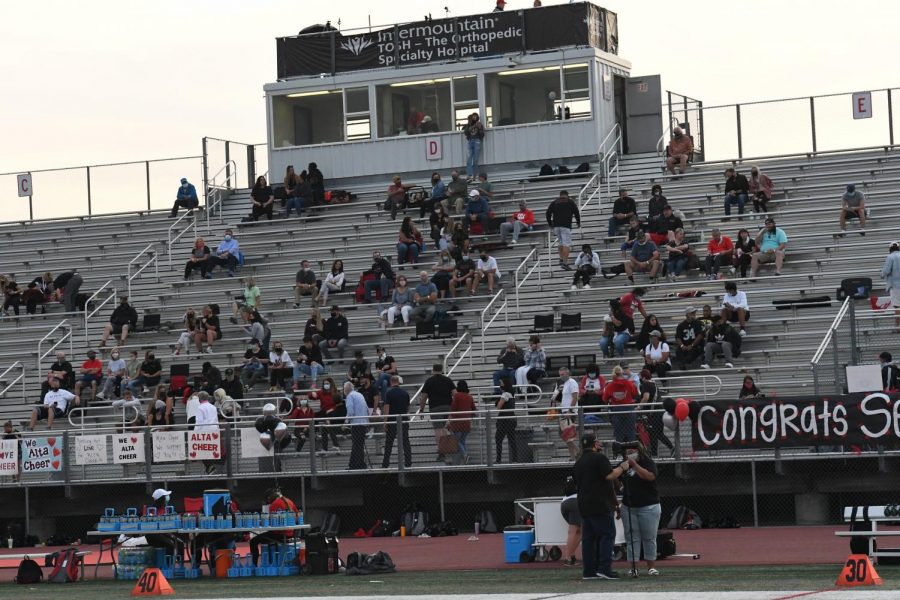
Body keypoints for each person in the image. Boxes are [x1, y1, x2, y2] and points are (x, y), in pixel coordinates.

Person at [573, 433, 626, 580]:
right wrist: (622, 467)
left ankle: (589, 571)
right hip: (600, 503)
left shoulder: (578, 462)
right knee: (607, 535)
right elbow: (609, 476)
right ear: (595, 444)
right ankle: (604, 568)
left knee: (588, 539)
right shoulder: (599, 458)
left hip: (584, 504)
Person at [620, 442, 662, 577]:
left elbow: (649, 476)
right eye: (627, 452)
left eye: (632, 451)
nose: (630, 454)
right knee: (632, 537)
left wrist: (634, 465)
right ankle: (634, 567)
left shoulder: (647, 462)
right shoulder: (623, 465)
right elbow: (616, 478)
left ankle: (651, 566)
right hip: (629, 507)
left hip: (649, 506)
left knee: (649, 537)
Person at [250, 488, 299, 566]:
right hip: (291, 532)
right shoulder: (289, 501)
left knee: (253, 541)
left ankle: (254, 565)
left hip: (280, 533)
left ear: (270, 497)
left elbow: (272, 523)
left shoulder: (274, 505)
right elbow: (297, 516)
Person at [419, 364, 456, 460]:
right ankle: (448, 449)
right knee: (445, 427)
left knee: (438, 429)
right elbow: (455, 394)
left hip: (435, 408)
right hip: (447, 406)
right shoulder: (448, 380)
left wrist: (421, 409)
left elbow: (424, 397)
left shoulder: (429, 381)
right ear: (442, 370)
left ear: (433, 370)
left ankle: (441, 452)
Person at [638, 369, 673, 458]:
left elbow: (646, 398)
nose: (640, 379)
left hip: (654, 414)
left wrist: (638, 407)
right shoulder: (654, 384)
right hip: (658, 412)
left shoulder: (646, 384)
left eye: (640, 377)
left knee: (655, 434)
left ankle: (666, 450)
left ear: (644, 377)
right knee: (656, 434)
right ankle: (657, 453)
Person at [382, 375, 412, 468]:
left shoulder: (389, 393)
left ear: (391, 382)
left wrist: (385, 422)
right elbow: (407, 407)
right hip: (403, 420)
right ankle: (408, 462)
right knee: (405, 442)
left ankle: (385, 464)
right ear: (398, 382)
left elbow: (387, 407)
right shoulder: (405, 393)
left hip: (392, 421)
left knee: (389, 443)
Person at [546, 190, 581, 270]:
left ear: (560, 195)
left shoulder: (555, 202)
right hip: (565, 226)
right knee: (566, 244)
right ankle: (565, 263)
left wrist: (550, 223)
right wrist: (578, 222)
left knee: (561, 242)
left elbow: (548, 213)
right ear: (567, 195)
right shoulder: (570, 202)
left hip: (556, 226)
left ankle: (561, 259)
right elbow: (576, 212)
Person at [603, 365, 639, 443]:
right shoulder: (629, 384)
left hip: (616, 411)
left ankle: (619, 453)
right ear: (622, 373)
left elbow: (604, 399)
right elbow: (635, 394)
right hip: (629, 409)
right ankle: (632, 451)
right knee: (631, 432)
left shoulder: (610, 385)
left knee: (618, 434)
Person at [311, 378, 343, 452]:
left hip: (333, 413)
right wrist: (313, 393)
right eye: (324, 383)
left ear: (331, 384)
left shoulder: (336, 392)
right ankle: (315, 433)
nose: (326, 385)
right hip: (324, 412)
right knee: (314, 416)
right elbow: (312, 396)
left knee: (327, 427)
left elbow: (340, 404)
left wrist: (332, 409)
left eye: (327, 383)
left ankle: (333, 445)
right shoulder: (321, 392)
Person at [555, 367, 580, 459]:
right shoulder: (565, 383)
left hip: (570, 412)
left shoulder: (572, 382)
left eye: (563, 374)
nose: (561, 376)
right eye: (560, 374)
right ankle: (573, 455)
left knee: (566, 434)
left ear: (568, 373)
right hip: (564, 411)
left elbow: (575, 397)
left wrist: (570, 410)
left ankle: (577, 452)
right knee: (564, 434)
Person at [343, 382, 369, 470]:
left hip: (356, 423)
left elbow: (350, 411)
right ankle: (357, 464)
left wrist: (346, 423)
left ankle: (356, 464)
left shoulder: (350, 396)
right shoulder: (359, 395)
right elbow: (366, 408)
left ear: (346, 389)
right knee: (359, 444)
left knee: (356, 445)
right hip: (363, 423)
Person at [448, 380, 475, 463]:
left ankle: (465, 455)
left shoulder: (457, 396)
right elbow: (474, 409)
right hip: (466, 423)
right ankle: (465, 458)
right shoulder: (469, 397)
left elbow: (453, 408)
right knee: (462, 441)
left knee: (457, 441)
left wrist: (449, 420)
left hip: (457, 422)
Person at [494, 378, 518, 463]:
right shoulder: (512, 394)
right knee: (512, 440)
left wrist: (497, 402)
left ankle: (498, 460)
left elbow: (498, 407)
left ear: (505, 384)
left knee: (498, 439)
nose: (500, 385)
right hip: (512, 419)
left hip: (504, 420)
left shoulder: (505, 395)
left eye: (501, 383)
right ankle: (515, 459)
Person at [560, 477, 582, 567]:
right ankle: (568, 558)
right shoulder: (582, 476)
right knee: (575, 531)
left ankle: (571, 556)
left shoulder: (571, 478)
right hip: (575, 502)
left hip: (564, 503)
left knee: (578, 531)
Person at [881, 242, 900, 329]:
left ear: (890, 249)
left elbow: (886, 271)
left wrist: (881, 275)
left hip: (895, 286)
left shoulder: (890, 257)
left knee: (897, 306)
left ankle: (898, 327)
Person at [463, 113, 485, 179]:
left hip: (477, 141)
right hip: (470, 141)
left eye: (476, 116)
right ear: (471, 117)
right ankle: (470, 174)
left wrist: (480, 128)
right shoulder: (469, 124)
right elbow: (466, 132)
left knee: (475, 159)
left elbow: (482, 135)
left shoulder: (479, 124)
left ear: (477, 117)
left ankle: (476, 175)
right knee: (469, 159)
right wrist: (473, 126)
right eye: (473, 116)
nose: (474, 117)